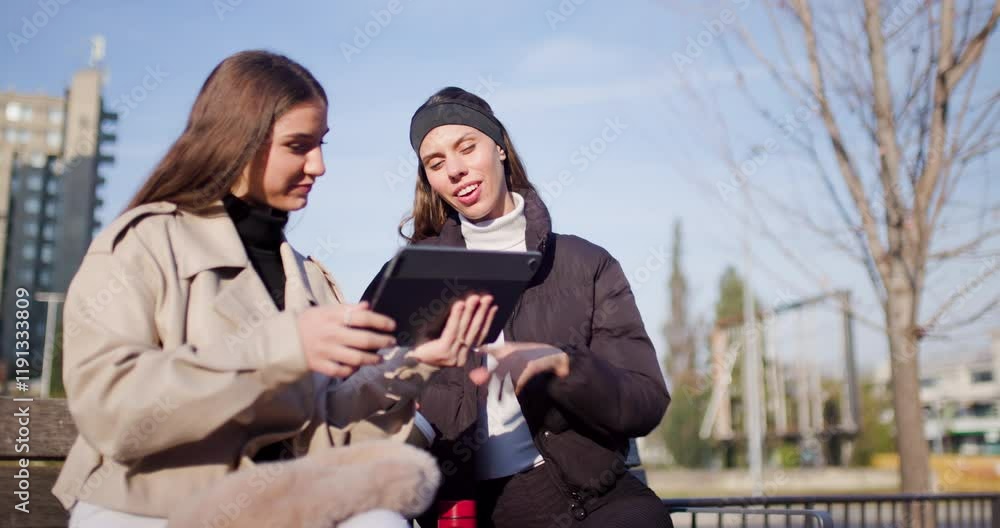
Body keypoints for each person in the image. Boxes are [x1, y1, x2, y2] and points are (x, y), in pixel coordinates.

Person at [54, 51, 495, 528]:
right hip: (147, 508)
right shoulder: (143, 244)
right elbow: (110, 410)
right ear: (236, 142)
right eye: (298, 146)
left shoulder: (309, 277)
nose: (319, 165)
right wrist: (282, 346)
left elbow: (326, 427)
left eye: (320, 144)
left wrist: (413, 364)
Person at [369, 87, 673, 527]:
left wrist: (565, 366)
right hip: (473, 510)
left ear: (499, 147)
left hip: (591, 498)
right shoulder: (410, 276)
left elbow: (645, 402)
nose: (454, 169)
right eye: (435, 163)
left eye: (466, 148)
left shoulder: (585, 264)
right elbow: (358, 387)